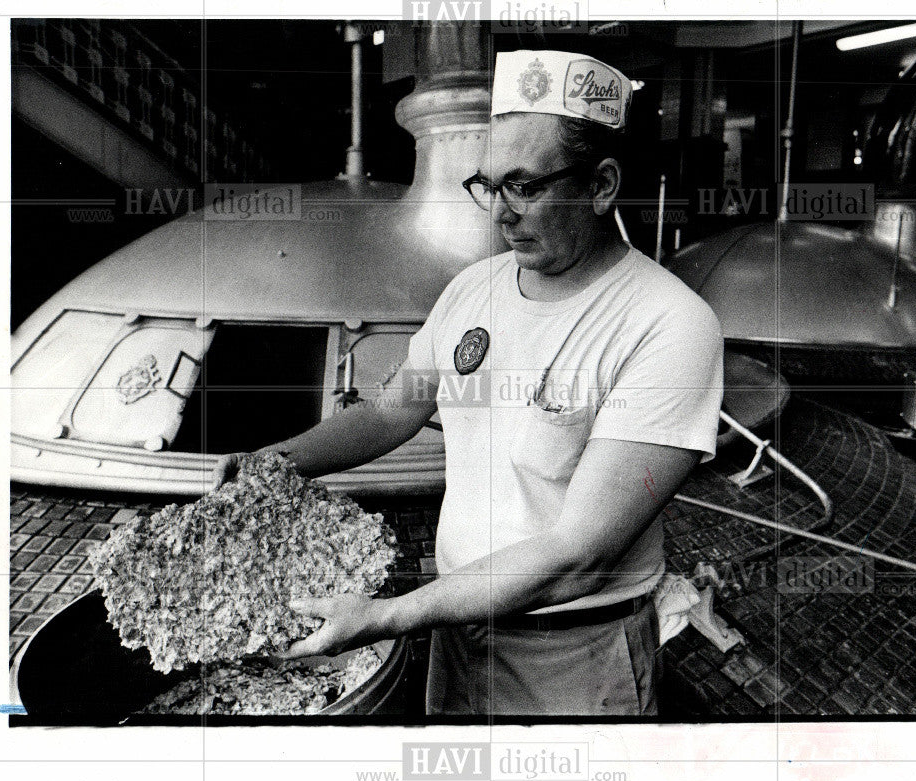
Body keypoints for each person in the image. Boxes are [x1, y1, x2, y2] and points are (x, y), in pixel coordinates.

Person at [213, 50, 724, 716]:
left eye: (526, 186)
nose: (500, 214)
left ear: (600, 185)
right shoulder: (474, 290)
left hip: (575, 656)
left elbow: (581, 556)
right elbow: (389, 412)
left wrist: (390, 614)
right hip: (460, 630)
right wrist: (274, 463)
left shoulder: (668, 323)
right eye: (488, 185)